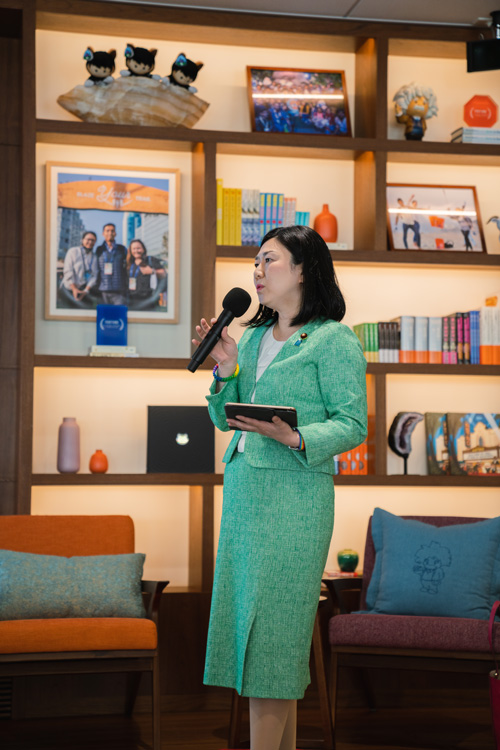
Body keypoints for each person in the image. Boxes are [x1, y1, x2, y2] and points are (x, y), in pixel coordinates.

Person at [192, 225, 367, 750]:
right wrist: (225, 369)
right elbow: (224, 418)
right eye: (255, 262)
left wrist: (295, 436)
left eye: (269, 260)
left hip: (296, 501)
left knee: (275, 637)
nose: (257, 271)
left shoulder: (334, 339)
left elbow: (352, 424)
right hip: (245, 495)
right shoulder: (249, 337)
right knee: (257, 639)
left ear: (304, 269)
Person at [59, 230, 98, 308]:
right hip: (69, 289)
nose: (90, 242)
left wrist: (86, 290)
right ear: (82, 240)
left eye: (93, 240)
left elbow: (94, 275)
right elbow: (68, 271)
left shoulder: (94, 257)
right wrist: (74, 289)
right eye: (88, 239)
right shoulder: (73, 251)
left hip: (84, 290)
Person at [125, 238, 166, 310]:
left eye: (138, 248)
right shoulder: (129, 263)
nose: (136, 251)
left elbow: (163, 274)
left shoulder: (150, 260)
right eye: (134, 249)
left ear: (143, 249)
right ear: (130, 251)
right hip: (132, 301)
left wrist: (152, 271)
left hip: (148, 301)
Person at [95, 223, 128, 305]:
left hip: (119, 290)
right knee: (105, 312)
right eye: (107, 231)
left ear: (115, 233)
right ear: (103, 233)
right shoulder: (99, 249)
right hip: (102, 290)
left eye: (112, 231)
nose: (110, 233)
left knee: (118, 312)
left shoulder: (122, 249)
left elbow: (128, 264)